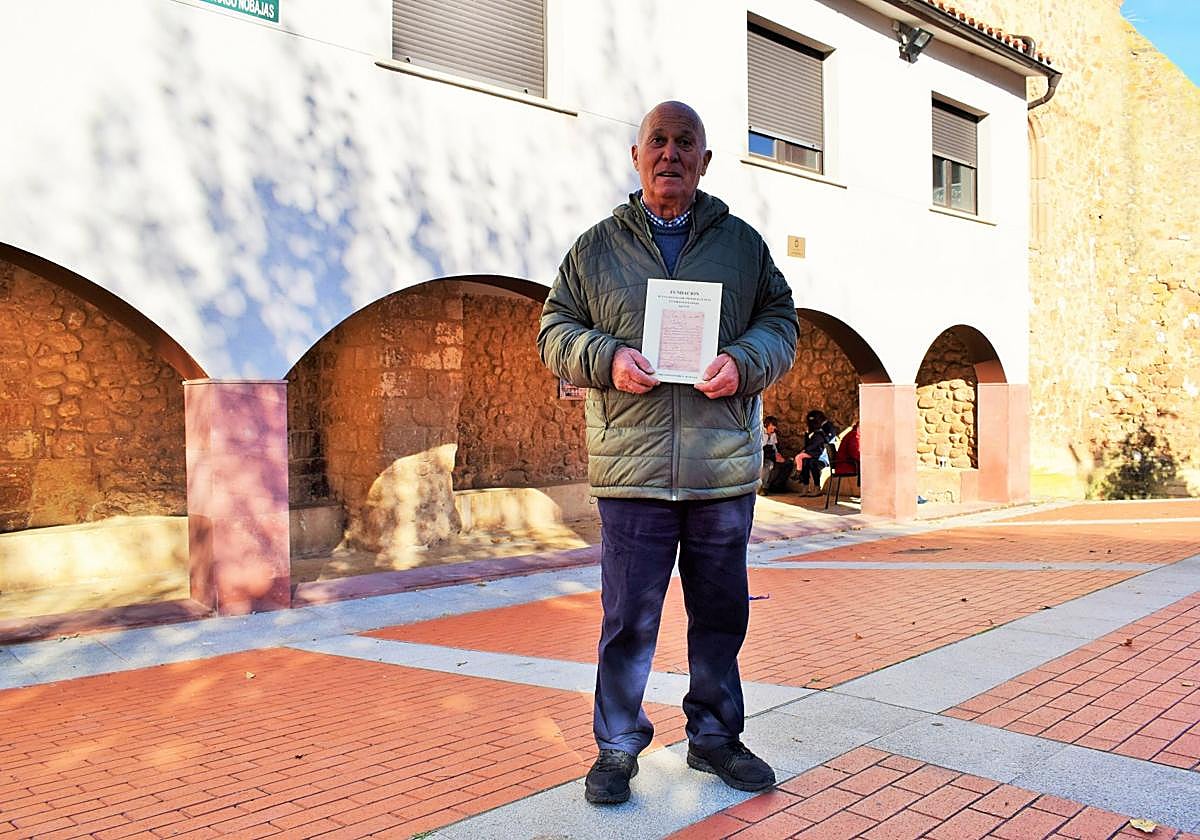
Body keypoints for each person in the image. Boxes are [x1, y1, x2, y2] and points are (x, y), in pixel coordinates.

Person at [538, 101, 799, 805]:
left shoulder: (742, 246)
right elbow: (553, 329)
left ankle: (714, 738)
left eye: (687, 143)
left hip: (721, 472)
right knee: (629, 618)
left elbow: (781, 323)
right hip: (634, 472)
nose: (671, 154)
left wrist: (745, 362)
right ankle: (618, 746)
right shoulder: (595, 249)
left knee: (720, 614)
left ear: (706, 161)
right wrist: (606, 356)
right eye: (659, 140)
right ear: (636, 155)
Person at [792, 410, 838, 496]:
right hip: (815, 455)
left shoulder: (827, 428)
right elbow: (809, 444)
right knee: (805, 461)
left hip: (824, 457)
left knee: (813, 464)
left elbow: (825, 443)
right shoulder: (815, 430)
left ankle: (817, 487)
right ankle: (805, 486)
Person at [760, 415, 790, 495]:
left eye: (774, 426)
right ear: (766, 425)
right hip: (760, 455)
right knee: (768, 465)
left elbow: (775, 447)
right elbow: (761, 447)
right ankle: (763, 487)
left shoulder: (773, 434)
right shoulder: (760, 432)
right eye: (772, 426)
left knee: (787, 464)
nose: (773, 428)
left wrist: (778, 455)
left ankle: (776, 487)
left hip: (770, 455)